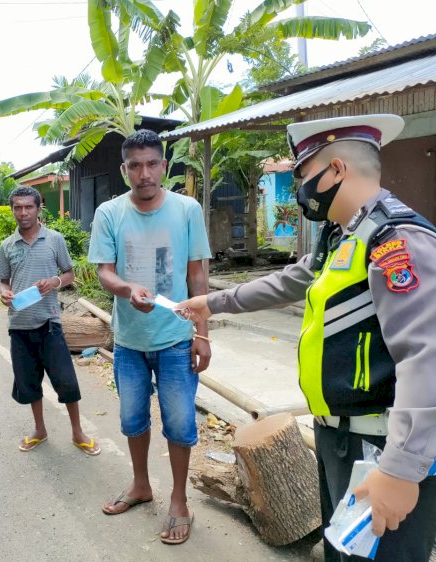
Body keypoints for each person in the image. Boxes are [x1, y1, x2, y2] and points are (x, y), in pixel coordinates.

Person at [178, 114, 436, 561]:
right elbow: (287, 282)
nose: (299, 188)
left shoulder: (397, 241)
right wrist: (212, 303)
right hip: (338, 440)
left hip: (380, 447)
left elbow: (426, 357)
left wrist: (401, 469)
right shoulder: (342, 237)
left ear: (336, 170)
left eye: (302, 175)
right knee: (342, 554)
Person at [87, 129, 212, 545]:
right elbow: (104, 271)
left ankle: (179, 501)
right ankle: (141, 485)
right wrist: (126, 290)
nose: (144, 173)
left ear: (164, 165)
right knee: (131, 420)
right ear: (125, 171)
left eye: (152, 164)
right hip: (129, 340)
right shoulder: (109, 213)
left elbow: (197, 275)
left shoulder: (187, 209)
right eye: (135, 166)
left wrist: (203, 333)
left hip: (176, 337)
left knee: (179, 424)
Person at [0, 186, 100, 456]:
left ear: (39, 208)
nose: (23, 212)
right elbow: (3, 280)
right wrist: (3, 292)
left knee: (66, 380)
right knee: (29, 384)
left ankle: (78, 432)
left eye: (28, 207)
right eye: (17, 207)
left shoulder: (54, 240)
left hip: (50, 323)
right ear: (12, 210)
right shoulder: (7, 245)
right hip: (19, 324)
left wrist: (55, 281)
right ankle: (40, 430)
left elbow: (69, 274)